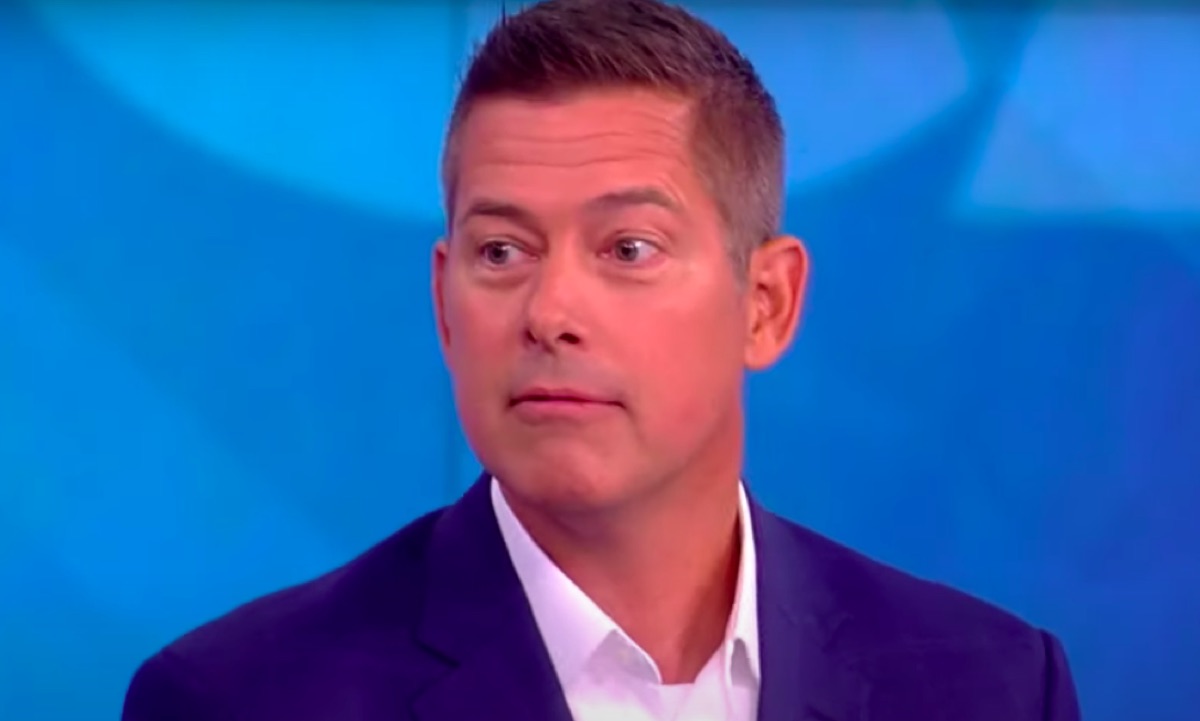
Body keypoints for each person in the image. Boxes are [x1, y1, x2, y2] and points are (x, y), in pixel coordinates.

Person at [122, 0, 1081, 719]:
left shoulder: (992, 686)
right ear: (445, 305)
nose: (550, 313)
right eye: (503, 252)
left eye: (628, 248)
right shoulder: (237, 698)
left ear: (766, 303)